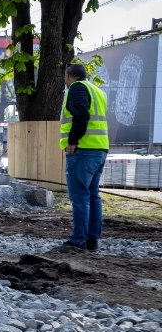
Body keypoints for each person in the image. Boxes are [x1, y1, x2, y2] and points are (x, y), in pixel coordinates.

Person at [57, 63, 109, 251]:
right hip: (100, 149)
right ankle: (91, 240)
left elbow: (81, 116)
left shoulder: (77, 88)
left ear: (69, 75)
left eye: (65, 77)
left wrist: (72, 141)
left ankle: (78, 239)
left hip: (83, 150)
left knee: (80, 196)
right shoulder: (97, 91)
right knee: (92, 196)